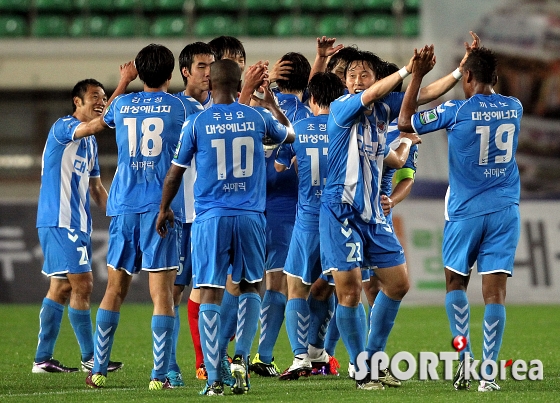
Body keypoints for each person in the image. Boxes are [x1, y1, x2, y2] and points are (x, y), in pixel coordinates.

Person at [321, 37, 477, 390]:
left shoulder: (385, 109)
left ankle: (373, 359)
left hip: (373, 211)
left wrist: (458, 69)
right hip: (340, 209)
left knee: (398, 284)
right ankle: (363, 371)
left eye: (366, 74)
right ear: (345, 82)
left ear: (375, 76)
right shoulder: (342, 107)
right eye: (353, 74)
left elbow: (426, 94)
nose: (358, 79)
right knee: (348, 292)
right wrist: (408, 69)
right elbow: (378, 94)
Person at [156, 59, 295, 396]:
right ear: (238, 85)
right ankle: (241, 359)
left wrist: (163, 209)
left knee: (209, 292)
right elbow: (290, 134)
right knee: (250, 287)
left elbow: (175, 173)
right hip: (250, 216)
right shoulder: (257, 118)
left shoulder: (196, 122)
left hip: (210, 218)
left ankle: (215, 377)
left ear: (210, 84)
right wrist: (271, 103)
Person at [398, 44, 522, 393]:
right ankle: (488, 376)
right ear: (495, 79)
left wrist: (419, 75)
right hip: (504, 210)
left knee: (455, 285)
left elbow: (406, 120)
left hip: (465, 212)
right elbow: (491, 95)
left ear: (466, 77)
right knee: (495, 294)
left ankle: (463, 355)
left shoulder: (455, 110)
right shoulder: (515, 108)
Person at [84, 44, 187, 391]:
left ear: (139, 73)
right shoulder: (178, 106)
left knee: (114, 289)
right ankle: (158, 376)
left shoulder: (124, 104)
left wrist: (122, 82)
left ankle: (98, 369)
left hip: (125, 206)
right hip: (160, 208)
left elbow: (105, 116)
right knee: (163, 296)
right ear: (171, 75)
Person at [33, 67, 136, 374]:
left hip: (77, 224)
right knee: (85, 284)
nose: (101, 101)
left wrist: (116, 213)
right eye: (95, 97)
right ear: (76, 101)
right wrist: (123, 84)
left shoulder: (89, 146)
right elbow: (97, 125)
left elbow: (96, 188)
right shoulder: (63, 128)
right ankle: (91, 356)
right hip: (59, 219)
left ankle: (42, 358)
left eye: (104, 97)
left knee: (62, 288)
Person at [274, 72, 345, 380]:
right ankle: (332, 352)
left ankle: (301, 356)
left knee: (296, 288)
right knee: (338, 289)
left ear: (312, 99)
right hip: (341, 220)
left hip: (308, 220)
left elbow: (278, 166)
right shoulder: (346, 128)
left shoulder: (298, 129)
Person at [250, 52, 312, 377]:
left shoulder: (255, 108)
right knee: (279, 282)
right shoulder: (305, 115)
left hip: (246, 203)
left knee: (238, 283)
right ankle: (263, 354)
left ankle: (222, 357)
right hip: (286, 205)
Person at [166, 41, 215, 386]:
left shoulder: (218, 106)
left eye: (212, 65)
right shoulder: (178, 108)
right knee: (173, 292)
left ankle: (206, 361)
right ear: (185, 71)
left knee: (210, 287)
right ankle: (169, 364)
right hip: (181, 215)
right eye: (201, 66)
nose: (208, 72)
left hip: (211, 215)